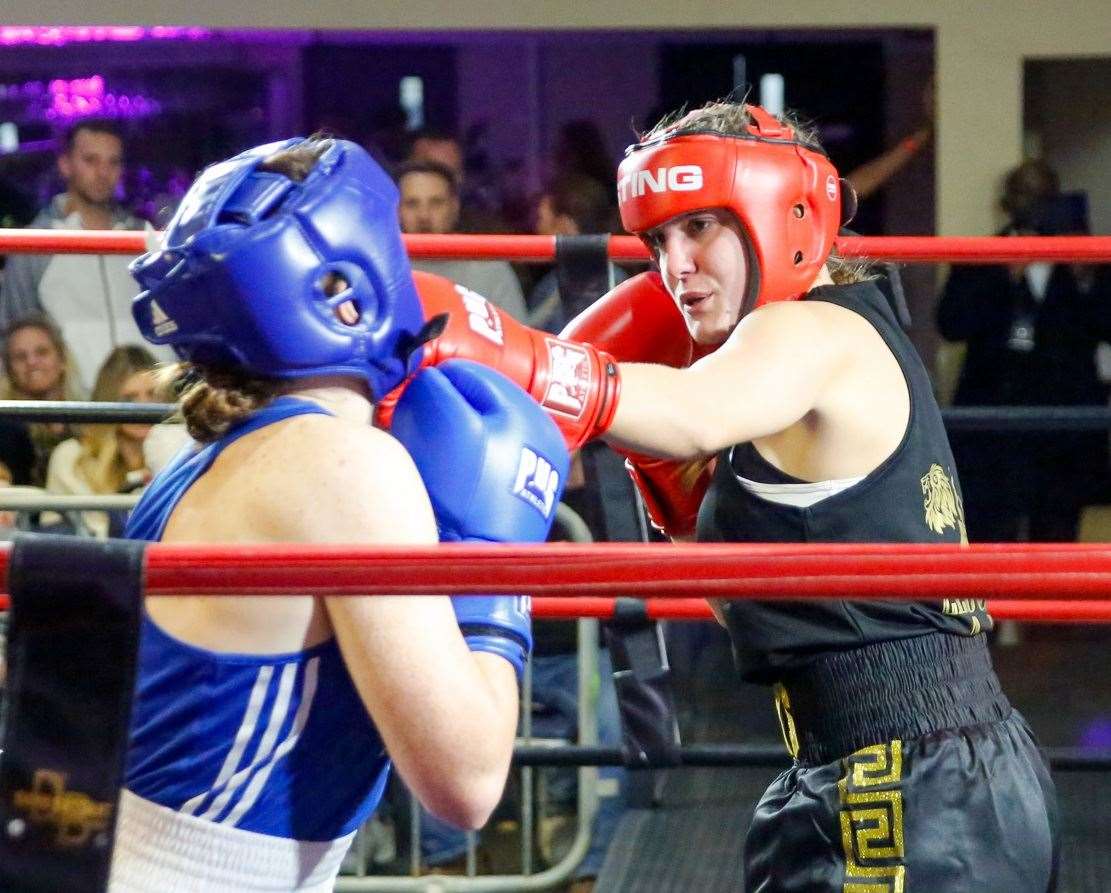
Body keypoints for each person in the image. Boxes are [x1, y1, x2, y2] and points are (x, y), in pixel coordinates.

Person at [391, 101, 1059, 892]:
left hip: (914, 781)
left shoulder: (810, 333)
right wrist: (676, 499)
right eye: (658, 239)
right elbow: (747, 607)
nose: (674, 264)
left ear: (788, 213)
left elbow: (686, 412)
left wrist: (512, 351)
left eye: (700, 226)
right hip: (893, 764)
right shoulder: (795, 355)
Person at [112, 136, 569, 891]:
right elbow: (468, 781)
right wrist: (492, 563)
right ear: (346, 285)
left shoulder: (193, 458)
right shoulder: (346, 468)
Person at [937, 161, 1111, 543]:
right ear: (1007, 203)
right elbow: (951, 325)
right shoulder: (981, 255)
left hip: (1063, 420)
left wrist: (1087, 279)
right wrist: (1001, 277)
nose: (1033, 205)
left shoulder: (1084, 257)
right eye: (1024, 194)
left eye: (1044, 196)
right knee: (989, 530)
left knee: (1058, 532)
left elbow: (1104, 324)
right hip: (994, 417)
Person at [0, 118, 170, 390]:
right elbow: (13, 338)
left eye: (113, 162)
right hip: (79, 415)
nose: (103, 172)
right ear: (65, 165)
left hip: (151, 408)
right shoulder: (36, 243)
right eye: (90, 160)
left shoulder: (144, 238)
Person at [44, 344, 159, 538]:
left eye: (152, 395)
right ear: (109, 401)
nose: (144, 407)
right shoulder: (72, 458)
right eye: (130, 399)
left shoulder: (179, 454)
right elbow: (57, 533)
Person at [396, 159, 528, 320]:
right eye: (412, 204)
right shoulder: (379, 270)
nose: (424, 215)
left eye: (436, 203)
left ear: (454, 206)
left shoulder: (490, 270)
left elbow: (516, 340)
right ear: (396, 209)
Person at [0, 316, 86, 486]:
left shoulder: (89, 419)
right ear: (9, 369)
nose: (31, 362)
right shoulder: (3, 428)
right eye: (20, 357)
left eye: (42, 352)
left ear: (62, 359)